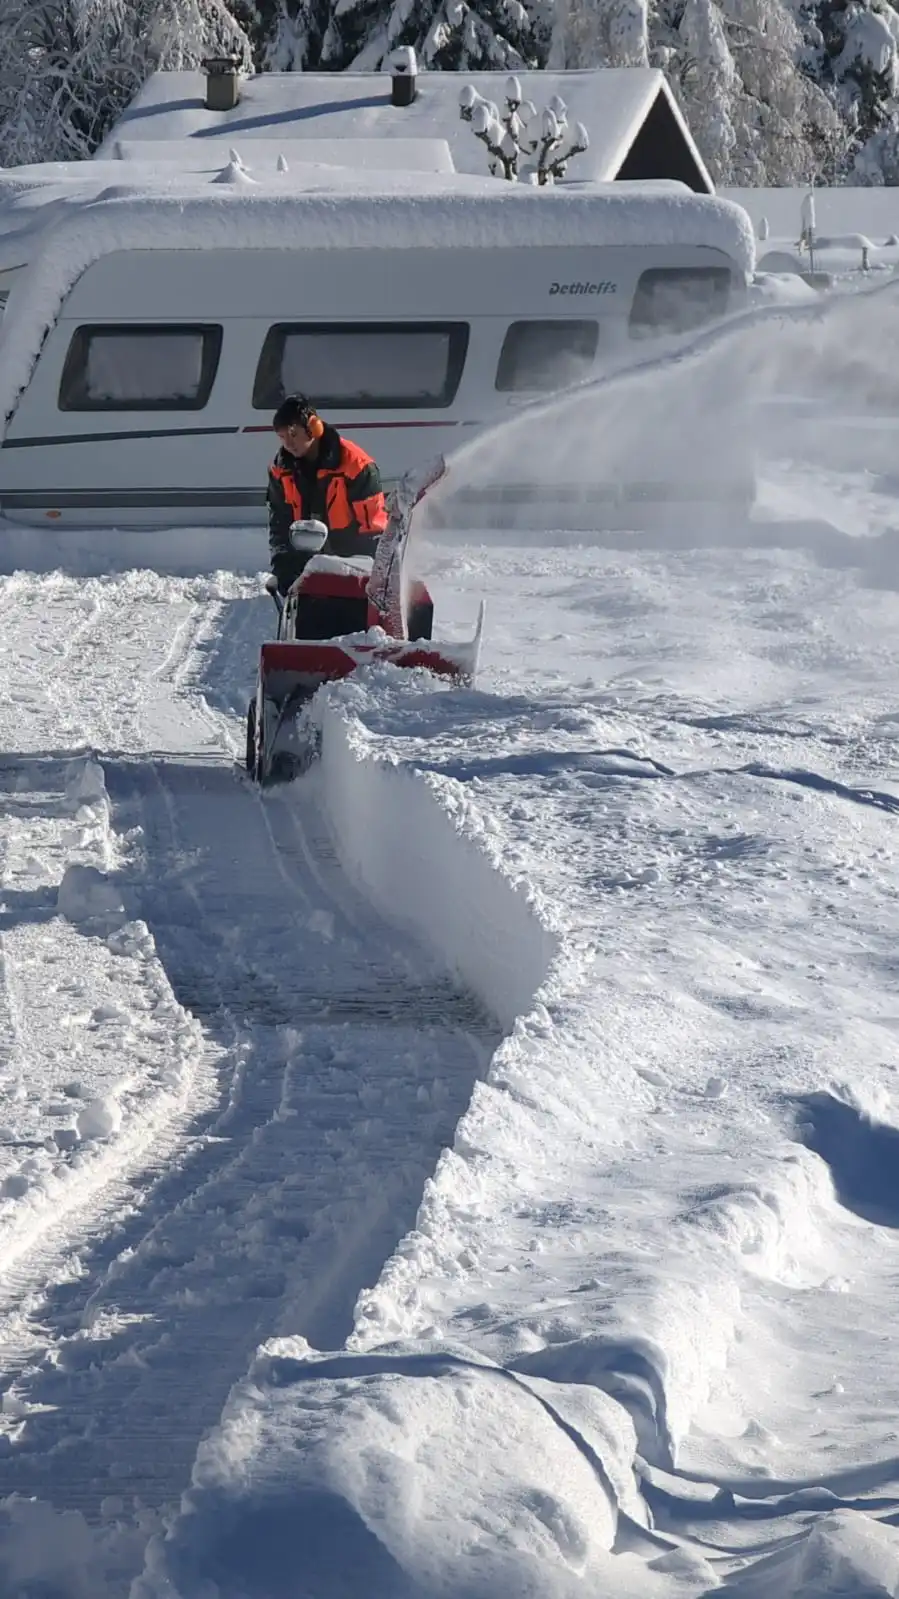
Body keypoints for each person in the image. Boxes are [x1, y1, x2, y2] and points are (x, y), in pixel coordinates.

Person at [267, 394, 388, 594]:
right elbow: (279, 521)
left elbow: (373, 530)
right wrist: (283, 566)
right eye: (282, 437)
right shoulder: (280, 470)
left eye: (293, 434)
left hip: (350, 563)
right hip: (303, 562)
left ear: (314, 427)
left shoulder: (357, 466)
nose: (288, 443)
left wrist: (365, 576)